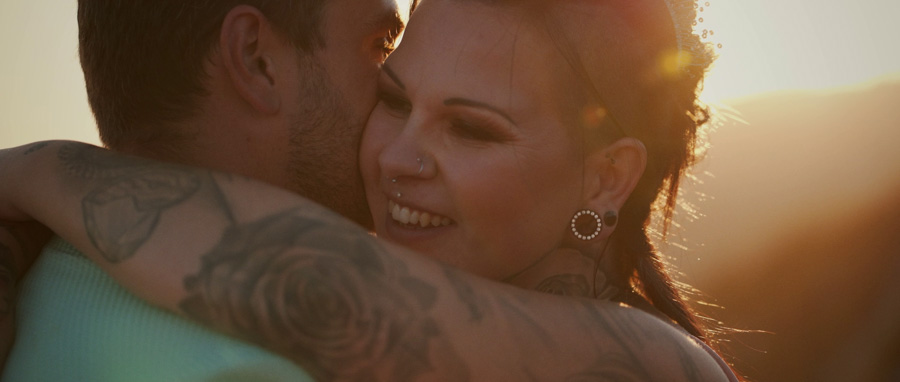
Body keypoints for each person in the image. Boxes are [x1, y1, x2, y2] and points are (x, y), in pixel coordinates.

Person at [0, 0, 739, 381]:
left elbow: (318, 286)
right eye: (389, 87)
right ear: (252, 59)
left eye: (473, 130)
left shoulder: (657, 367)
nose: (396, 155)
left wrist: (35, 170)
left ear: (609, 176)